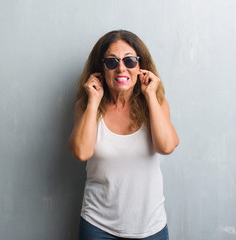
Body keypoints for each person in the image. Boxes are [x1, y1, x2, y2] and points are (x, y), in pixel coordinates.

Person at [68, 30, 179, 240]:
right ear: (100, 68)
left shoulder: (156, 103)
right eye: (111, 62)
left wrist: (151, 96)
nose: (121, 68)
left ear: (140, 66)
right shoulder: (85, 105)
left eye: (129, 61)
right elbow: (81, 153)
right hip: (97, 226)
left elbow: (166, 147)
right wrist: (93, 101)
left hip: (150, 228)